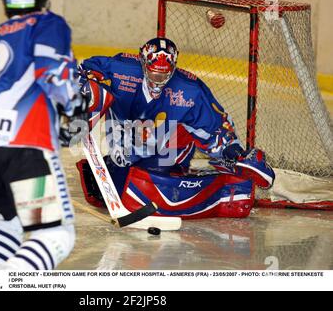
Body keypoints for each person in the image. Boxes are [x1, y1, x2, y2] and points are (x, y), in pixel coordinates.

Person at [77, 37, 275, 219]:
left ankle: (207, 181)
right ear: (143, 62)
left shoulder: (189, 90)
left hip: (167, 152)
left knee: (148, 181)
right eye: (154, 73)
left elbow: (215, 128)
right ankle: (123, 171)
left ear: (173, 68)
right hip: (125, 145)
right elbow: (86, 68)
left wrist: (235, 153)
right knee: (92, 95)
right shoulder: (121, 69)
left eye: (164, 75)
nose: (158, 80)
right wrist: (85, 84)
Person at [0, 0, 87, 270]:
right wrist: (76, 106)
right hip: (21, 151)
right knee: (54, 234)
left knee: (7, 221)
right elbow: (53, 72)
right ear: (43, 0)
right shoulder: (46, 23)